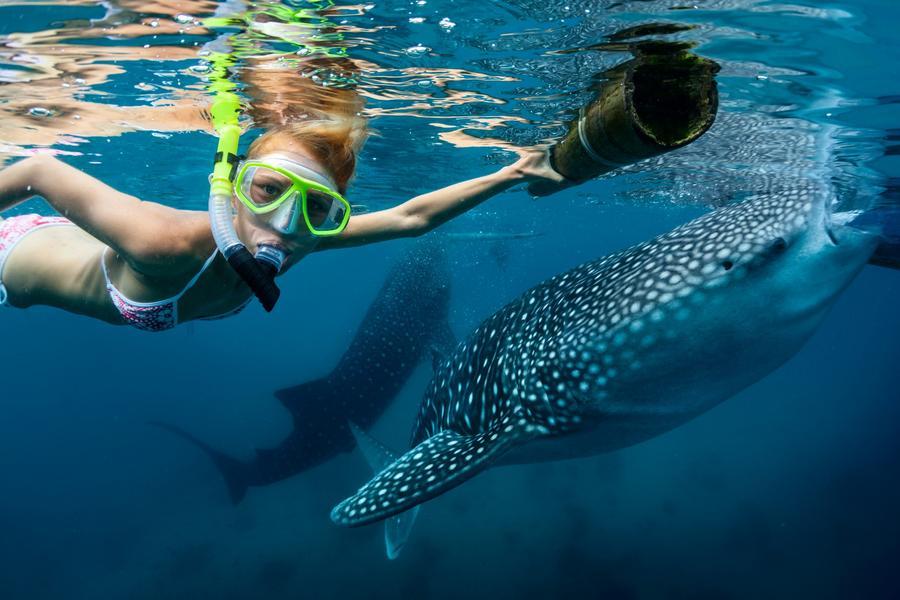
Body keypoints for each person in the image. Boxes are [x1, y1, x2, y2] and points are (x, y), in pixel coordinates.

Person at [0, 120, 566, 331]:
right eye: (268, 191)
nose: (284, 224)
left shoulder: (304, 240)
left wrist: (514, 173)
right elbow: (36, 168)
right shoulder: (161, 240)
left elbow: (409, 217)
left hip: (66, 249)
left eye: (316, 206)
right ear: (234, 185)